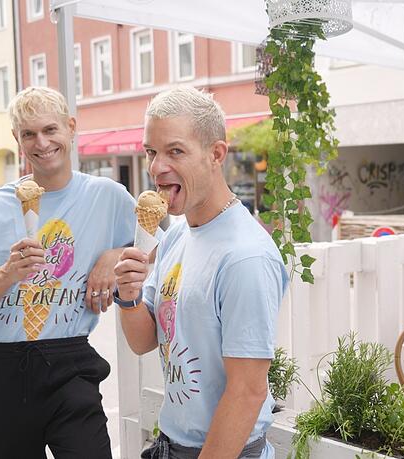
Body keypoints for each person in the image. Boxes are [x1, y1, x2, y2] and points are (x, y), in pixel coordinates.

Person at [0, 86, 136, 459]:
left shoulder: (108, 196)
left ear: (71, 127)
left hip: (71, 363)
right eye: (29, 133)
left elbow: (163, 243)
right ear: (17, 140)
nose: (42, 142)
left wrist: (114, 254)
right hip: (1, 369)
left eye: (50, 130)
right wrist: (6, 274)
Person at [114, 86, 288, 458]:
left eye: (175, 151)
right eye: (151, 152)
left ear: (216, 154)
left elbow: (248, 391)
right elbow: (144, 341)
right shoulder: (177, 235)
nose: (157, 168)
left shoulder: (245, 256)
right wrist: (127, 298)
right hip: (171, 445)